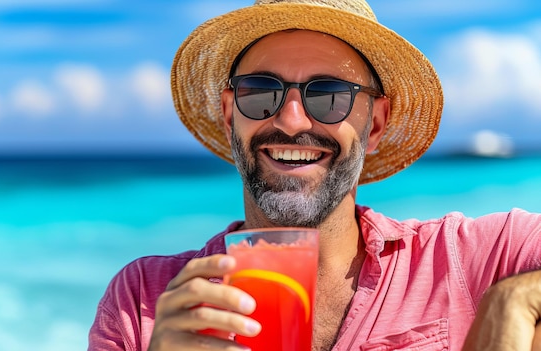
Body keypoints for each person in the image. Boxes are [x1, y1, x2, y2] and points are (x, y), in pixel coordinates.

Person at [88, 0, 541, 350]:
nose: (292, 121)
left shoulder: (476, 258)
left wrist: (513, 301)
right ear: (229, 116)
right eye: (260, 91)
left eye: (329, 96)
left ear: (376, 124)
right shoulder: (144, 301)